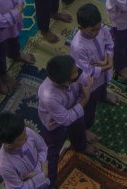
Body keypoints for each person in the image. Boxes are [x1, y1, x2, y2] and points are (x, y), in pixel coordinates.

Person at [38, 53, 94, 183]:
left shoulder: (72, 68)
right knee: (52, 152)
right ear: (65, 82)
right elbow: (65, 119)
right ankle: (49, 183)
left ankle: (80, 146)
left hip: (74, 107)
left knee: (79, 129)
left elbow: (85, 79)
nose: (78, 73)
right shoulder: (49, 96)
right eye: (75, 74)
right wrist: (85, 98)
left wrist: (86, 84)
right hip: (54, 124)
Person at [0, 111, 51, 189]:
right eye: (22, 139)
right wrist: (41, 175)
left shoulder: (26, 132)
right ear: (9, 145)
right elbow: (20, 187)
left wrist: (40, 171)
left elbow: (43, 148)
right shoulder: (4, 166)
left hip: (42, 171)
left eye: (25, 132)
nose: (27, 137)